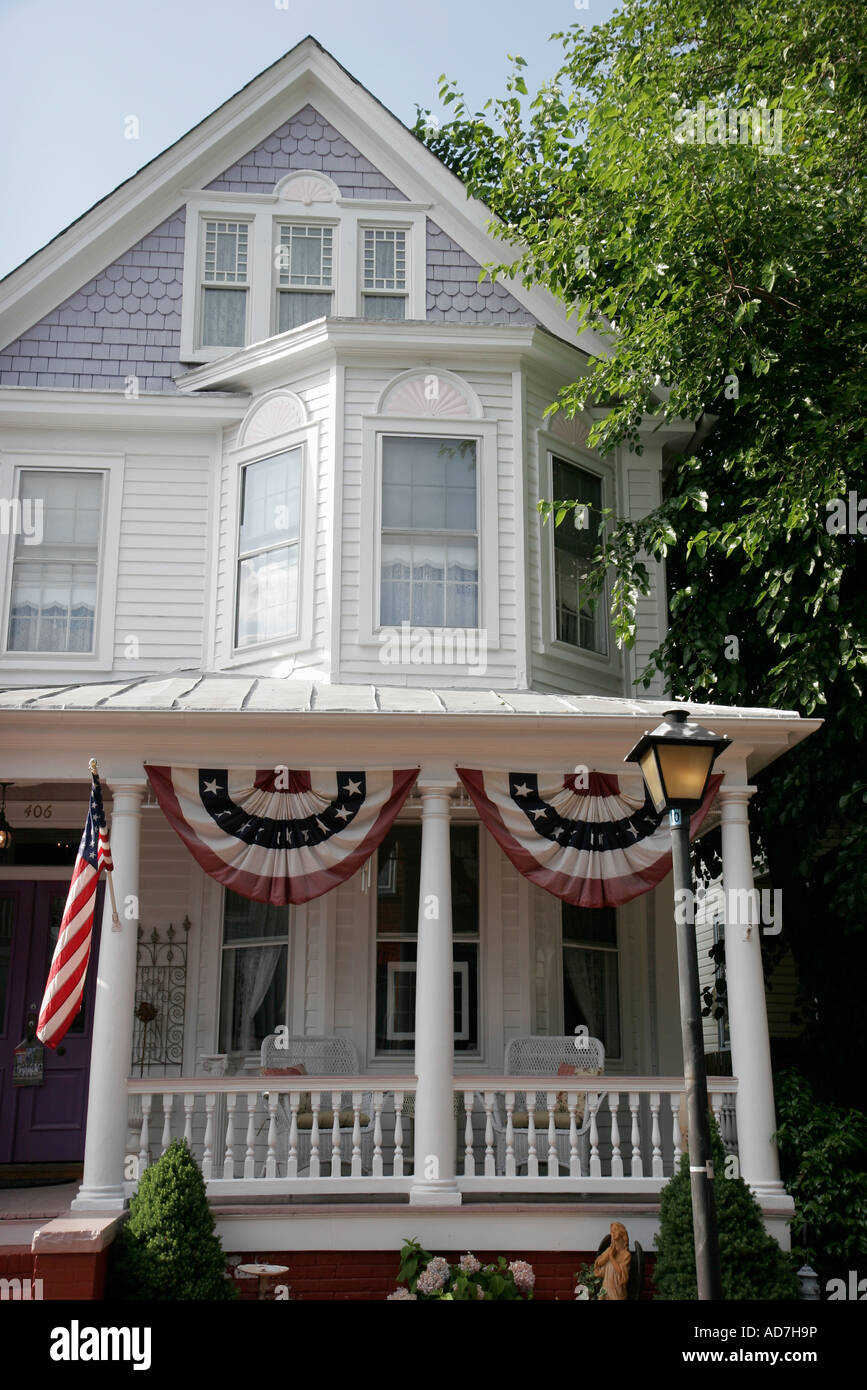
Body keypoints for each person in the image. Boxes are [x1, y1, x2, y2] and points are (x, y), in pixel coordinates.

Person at [594, 1221, 631, 1300]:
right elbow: (598, 1264)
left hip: (617, 1290)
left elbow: (621, 1273)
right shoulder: (609, 1250)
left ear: (622, 1233)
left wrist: (611, 1257)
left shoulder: (626, 1255)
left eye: (615, 1229)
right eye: (611, 1231)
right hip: (605, 1287)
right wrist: (608, 1256)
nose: (612, 1232)